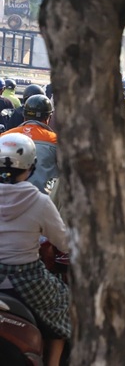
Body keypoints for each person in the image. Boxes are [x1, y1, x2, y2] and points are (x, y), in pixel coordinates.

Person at [0, 133, 70, 366]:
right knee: (64, 305)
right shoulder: (40, 201)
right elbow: (64, 242)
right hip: (28, 278)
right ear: (31, 167)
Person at [1, 95, 58, 193]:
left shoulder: (5, 136)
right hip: (43, 199)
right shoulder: (55, 140)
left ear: (24, 116)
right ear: (48, 117)